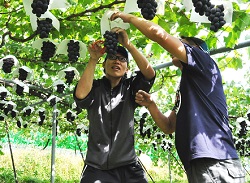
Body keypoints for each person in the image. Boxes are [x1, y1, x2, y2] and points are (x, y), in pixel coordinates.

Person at [111, 13, 246, 182]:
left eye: (183, 43)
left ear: (195, 49)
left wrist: (130, 19)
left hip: (215, 162)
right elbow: (169, 127)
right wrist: (151, 105)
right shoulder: (188, 86)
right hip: (204, 164)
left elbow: (160, 36)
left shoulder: (205, 62)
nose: (177, 45)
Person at [73, 27, 155, 183]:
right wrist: (93, 59)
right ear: (103, 65)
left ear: (127, 69)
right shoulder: (94, 87)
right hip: (96, 166)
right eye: (112, 57)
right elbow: (81, 96)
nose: (117, 60)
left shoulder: (131, 89)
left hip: (129, 166)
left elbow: (149, 74)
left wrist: (128, 44)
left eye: (122, 59)